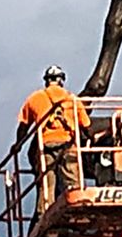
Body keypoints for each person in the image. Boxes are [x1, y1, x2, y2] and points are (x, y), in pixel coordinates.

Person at [16, 65, 90, 220]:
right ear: (62, 80)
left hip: (46, 147)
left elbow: (23, 126)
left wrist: (17, 145)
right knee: (73, 182)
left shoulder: (35, 98)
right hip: (69, 146)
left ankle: (45, 216)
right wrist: (91, 139)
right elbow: (86, 126)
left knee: (47, 184)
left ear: (46, 81)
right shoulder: (73, 100)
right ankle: (78, 211)